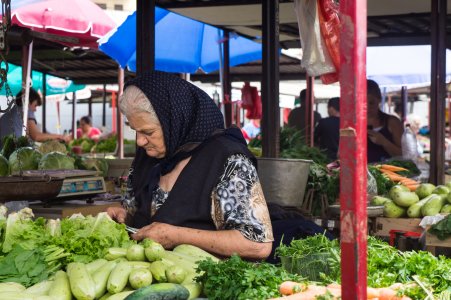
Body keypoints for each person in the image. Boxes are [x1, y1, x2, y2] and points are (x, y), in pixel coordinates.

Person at [107, 71, 273, 260]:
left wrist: (177, 236)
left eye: (148, 132)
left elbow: (257, 244)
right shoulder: (149, 156)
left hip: (207, 279)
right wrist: (123, 215)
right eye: (134, 130)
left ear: (176, 123)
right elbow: (135, 208)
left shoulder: (227, 160)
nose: (140, 141)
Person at [0, 88, 70, 147]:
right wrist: (60, 136)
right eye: (35, 105)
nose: (35, 109)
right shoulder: (26, 110)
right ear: (28, 101)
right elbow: (36, 136)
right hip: (13, 151)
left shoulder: (12, 112)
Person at [367, 79, 403, 162]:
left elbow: (403, 155)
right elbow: (341, 154)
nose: (368, 107)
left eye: (371, 103)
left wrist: (384, 142)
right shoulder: (352, 124)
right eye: (363, 102)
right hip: (360, 173)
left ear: (379, 99)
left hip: (387, 173)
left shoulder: (392, 122)